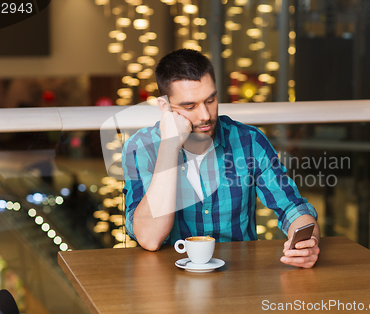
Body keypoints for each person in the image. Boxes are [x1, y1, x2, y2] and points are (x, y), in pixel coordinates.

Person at [122, 49, 320, 268]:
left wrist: (308, 242)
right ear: (165, 107)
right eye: (190, 106)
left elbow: (293, 208)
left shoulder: (249, 141)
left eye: (210, 100)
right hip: (166, 281)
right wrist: (170, 146)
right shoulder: (140, 148)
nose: (205, 115)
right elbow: (150, 238)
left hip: (238, 276)